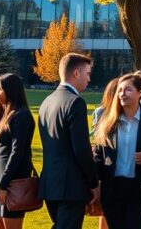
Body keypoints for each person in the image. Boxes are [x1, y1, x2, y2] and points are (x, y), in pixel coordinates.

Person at [39, 52, 100, 229]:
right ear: (76, 74)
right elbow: (81, 149)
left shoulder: (46, 102)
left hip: (50, 182)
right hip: (71, 185)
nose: (89, 79)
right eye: (87, 74)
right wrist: (93, 183)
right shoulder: (75, 102)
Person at [94, 73, 141, 229]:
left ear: (140, 92)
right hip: (113, 190)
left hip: (140, 190)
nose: (122, 94)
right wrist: (94, 183)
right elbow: (98, 157)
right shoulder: (108, 122)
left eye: (128, 90)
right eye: (120, 90)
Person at [0, 73, 35, 228]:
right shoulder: (5, 114)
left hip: (11, 181)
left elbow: (17, 152)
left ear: (11, 90)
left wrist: (4, 184)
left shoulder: (22, 116)